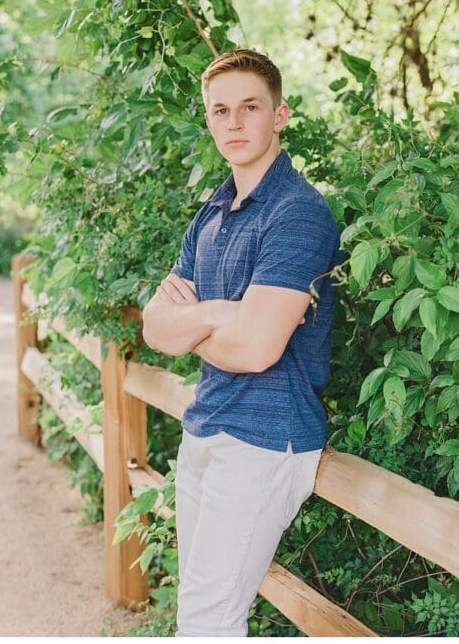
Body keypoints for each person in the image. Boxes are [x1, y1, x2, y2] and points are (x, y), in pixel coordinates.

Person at [141, 49, 342, 637]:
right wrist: (223, 314)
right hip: (204, 424)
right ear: (208, 120)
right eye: (220, 111)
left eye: (249, 107)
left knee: (208, 622)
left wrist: (194, 327)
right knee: (199, 613)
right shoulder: (210, 214)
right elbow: (156, 328)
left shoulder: (299, 214)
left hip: (264, 437)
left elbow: (256, 350)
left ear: (278, 115)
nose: (234, 122)